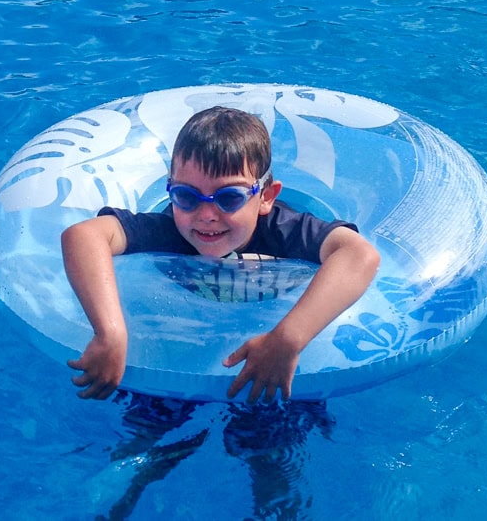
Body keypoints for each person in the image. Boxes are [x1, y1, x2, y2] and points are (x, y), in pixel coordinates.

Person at [60, 105, 381, 403]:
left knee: (273, 440)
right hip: (185, 353)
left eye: (229, 197)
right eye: (186, 196)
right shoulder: (167, 229)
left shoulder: (286, 229)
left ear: (266, 197)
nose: (207, 214)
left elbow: (358, 255)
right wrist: (110, 331)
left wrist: (288, 339)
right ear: (170, 191)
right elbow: (83, 236)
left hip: (272, 353)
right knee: (151, 429)